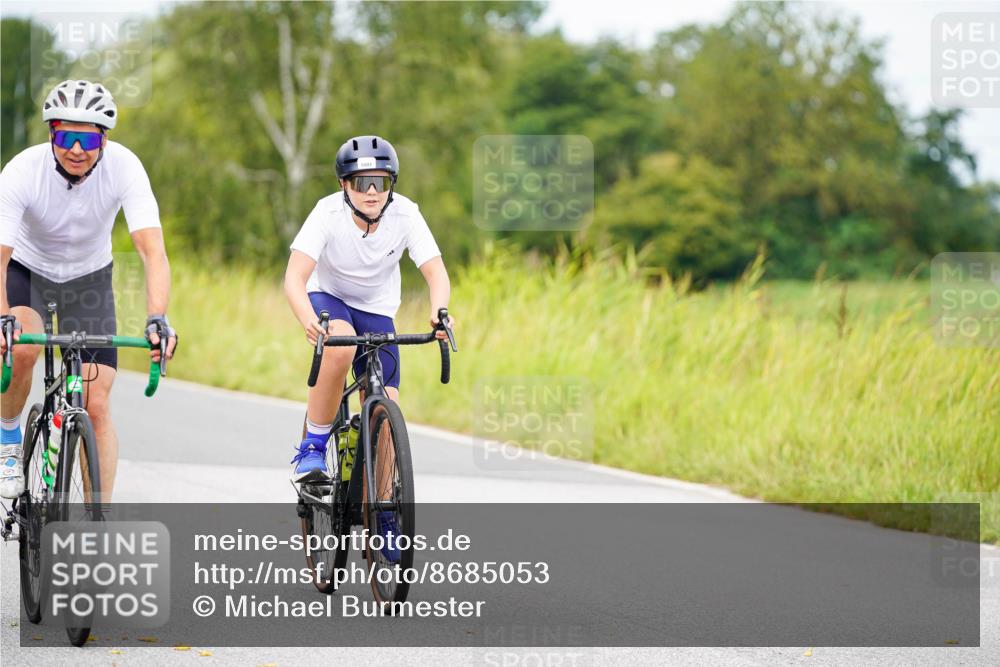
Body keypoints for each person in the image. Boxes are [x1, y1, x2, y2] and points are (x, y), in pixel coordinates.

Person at [0, 80, 178, 500]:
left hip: (88, 279)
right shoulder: (23, 171)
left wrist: (158, 318)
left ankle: (98, 520)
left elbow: (153, 251)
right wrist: (3, 316)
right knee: (22, 348)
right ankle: (8, 438)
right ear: (51, 135)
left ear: (105, 139)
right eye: (66, 136)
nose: (77, 149)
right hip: (28, 271)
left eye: (89, 138)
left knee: (96, 405)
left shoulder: (126, 167)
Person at [284, 135, 454, 488]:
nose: (373, 192)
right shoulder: (327, 213)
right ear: (344, 185)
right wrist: (308, 320)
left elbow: (435, 272)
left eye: (382, 182)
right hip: (328, 296)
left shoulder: (406, 213)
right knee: (342, 344)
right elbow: (294, 277)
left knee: (387, 412)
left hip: (377, 308)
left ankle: (385, 513)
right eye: (363, 183)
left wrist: (439, 312)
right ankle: (313, 445)